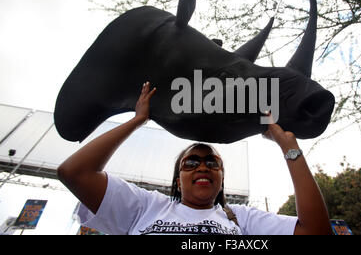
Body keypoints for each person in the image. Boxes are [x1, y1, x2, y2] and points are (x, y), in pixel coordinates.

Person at [57, 81, 332, 235]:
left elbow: (317, 232)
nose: (203, 166)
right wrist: (138, 120)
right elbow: (74, 172)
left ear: (222, 179)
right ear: (178, 178)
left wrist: (289, 149)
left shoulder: (242, 219)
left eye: (212, 162)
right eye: (191, 162)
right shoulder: (145, 206)